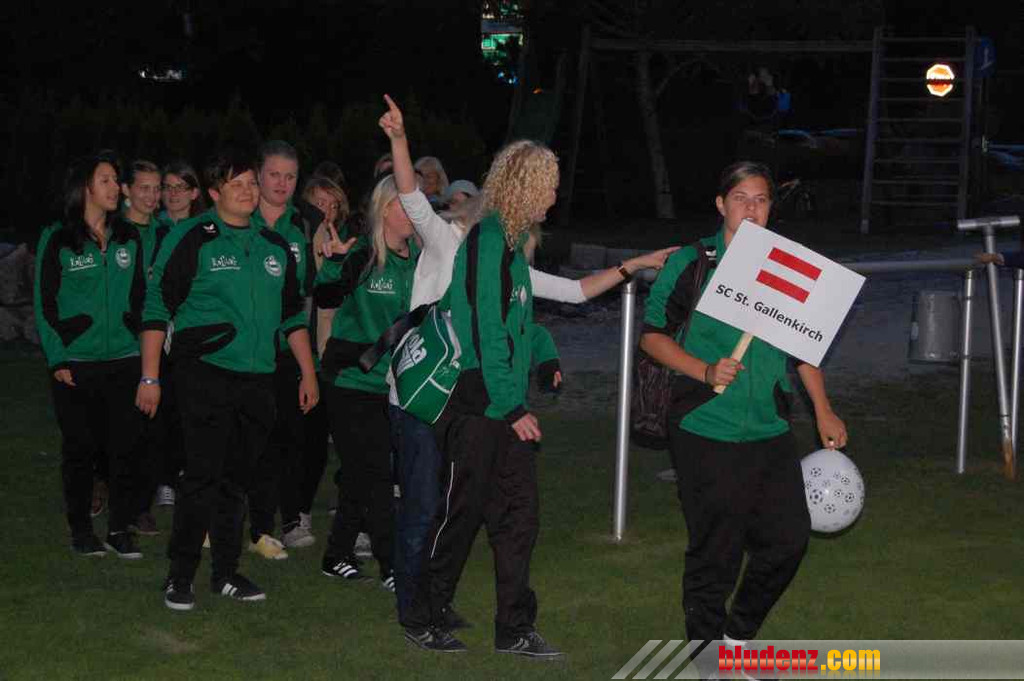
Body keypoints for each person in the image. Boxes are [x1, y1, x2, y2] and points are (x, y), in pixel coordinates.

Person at [377, 94, 677, 647]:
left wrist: (632, 265)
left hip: (503, 405)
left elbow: (548, 309)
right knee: (460, 514)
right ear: (525, 186)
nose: (555, 196)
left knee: (518, 517)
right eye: (549, 185)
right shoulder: (487, 241)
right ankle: (422, 615)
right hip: (478, 404)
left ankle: (514, 628)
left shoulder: (512, 249)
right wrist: (512, 407)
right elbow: (486, 333)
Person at [639, 161, 848, 660]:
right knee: (717, 551)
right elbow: (652, 337)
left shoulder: (787, 266)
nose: (751, 209)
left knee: (788, 540)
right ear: (721, 204)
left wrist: (823, 409)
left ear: (771, 207)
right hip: (703, 425)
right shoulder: (693, 262)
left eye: (761, 199)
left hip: (768, 428)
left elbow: (803, 348)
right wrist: (704, 370)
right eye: (740, 198)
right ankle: (709, 657)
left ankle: (737, 637)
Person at [137, 150, 318, 611]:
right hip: (205, 374)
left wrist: (308, 372)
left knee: (237, 482)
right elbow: (157, 306)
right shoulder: (192, 237)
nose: (248, 191)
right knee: (202, 477)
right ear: (215, 192)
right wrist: (150, 377)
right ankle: (180, 576)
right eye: (236, 183)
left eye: (251, 183)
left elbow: (292, 316)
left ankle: (225, 573)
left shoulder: (274, 246)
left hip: (259, 380)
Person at [34, 151, 146, 559]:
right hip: (76, 363)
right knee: (80, 449)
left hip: (124, 358)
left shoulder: (128, 236)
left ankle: (119, 529)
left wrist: (141, 344)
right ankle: (81, 531)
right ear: (85, 187)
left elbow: (140, 297)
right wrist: (58, 358)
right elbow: (44, 303)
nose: (116, 187)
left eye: (116, 180)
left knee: (124, 448)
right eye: (106, 180)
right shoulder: (57, 238)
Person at [314, 173, 412, 593]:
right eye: (405, 203)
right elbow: (326, 297)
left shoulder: (419, 258)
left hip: (393, 385)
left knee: (359, 473)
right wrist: (335, 260)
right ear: (385, 209)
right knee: (377, 474)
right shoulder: (364, 255)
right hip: (351, 380)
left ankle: (336, 555)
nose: (414, 212)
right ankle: (392, 565)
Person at [245, 140, 315, 560]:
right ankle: (242, 523)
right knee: (244, 441)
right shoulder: (239, 218)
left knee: (287, 439)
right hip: (242, 352)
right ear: (258, 175)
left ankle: (279, 522)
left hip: (287, 350)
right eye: (274, 174)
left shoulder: (302, 225)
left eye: (290, 176)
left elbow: (304, 294)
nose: (282, 183)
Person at [276, 175, 352, 550]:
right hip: (285, 352)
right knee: (288, 439)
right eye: (319, 202)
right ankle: (286, 514)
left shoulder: (342, 245)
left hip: (323, 357)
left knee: (315, 444)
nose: (326, 210)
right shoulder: (291, 238)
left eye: (333, 205)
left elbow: (332, 298)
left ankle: (300, 510)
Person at [120, 159, 167, 536]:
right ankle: (111, 489)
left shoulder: (166, 232)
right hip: (118, 341)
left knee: (151, 427)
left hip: (157, 338)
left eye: (157, 188)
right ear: (126, 190)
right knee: (118, 425)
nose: (152, 196)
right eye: (144, 188)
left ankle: (140, 505)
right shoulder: (112, 230)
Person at [159, 161, 206, 226]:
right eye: (168, 187)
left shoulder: (205, 225)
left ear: (194, 193)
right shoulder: (151, 224)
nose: (173, 193)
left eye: (180, 187)